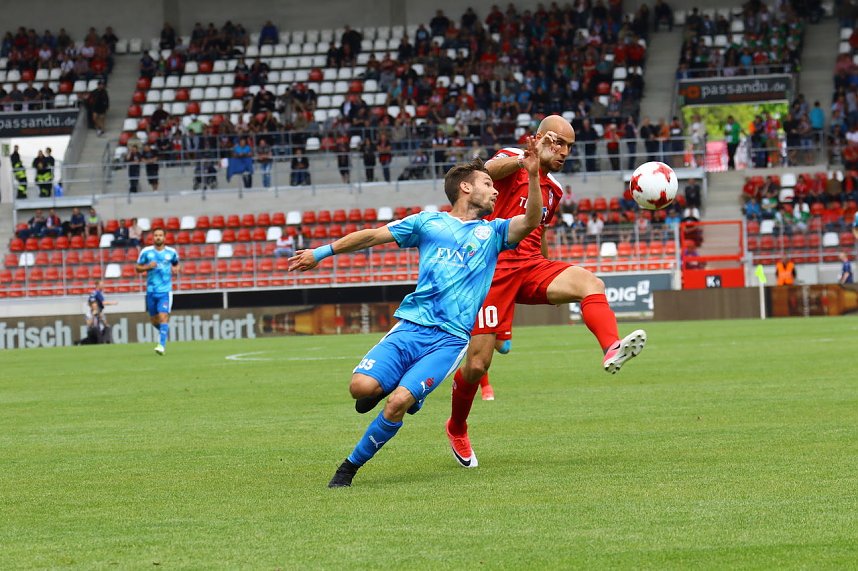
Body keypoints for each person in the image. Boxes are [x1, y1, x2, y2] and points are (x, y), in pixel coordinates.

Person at [290, 140, 545, 488]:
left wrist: (532, 176)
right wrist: (319, 253)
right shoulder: (428, 223)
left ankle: (348, 468)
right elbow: (371, 237)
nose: (493, 192)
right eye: (487, 184)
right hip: (410, 325)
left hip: (449, 339)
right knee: (359, 387)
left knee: (396, 403)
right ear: (465, 187)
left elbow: (531, 219)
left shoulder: (494, 232)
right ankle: (408, 389)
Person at [445, 115, 648, 469]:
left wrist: (551, 278)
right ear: (539, 138)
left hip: (530, 265)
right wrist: (527, 158)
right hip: (489, 270)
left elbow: (540, 232)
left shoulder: (554, 189)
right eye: (559, 143)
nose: (565, 152)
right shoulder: (512, 158)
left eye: (570, 146)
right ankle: (457, 427)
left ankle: (612, 347)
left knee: (590, 284)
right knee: (478, 365)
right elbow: (488, 172)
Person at [136, 228, 180, 355]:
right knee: (154, 320)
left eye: (160, 235)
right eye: (156, 235)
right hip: (151, 291)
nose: (158, 237)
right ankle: (164, 332)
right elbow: (137, 268)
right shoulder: (146, 252)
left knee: (163, 316)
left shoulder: (171, 252)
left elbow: (176, 264)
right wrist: (147, 267)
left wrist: (176, 269)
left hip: (165, 291)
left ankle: (161, 345)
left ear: (164, 237)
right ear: (153, 237)